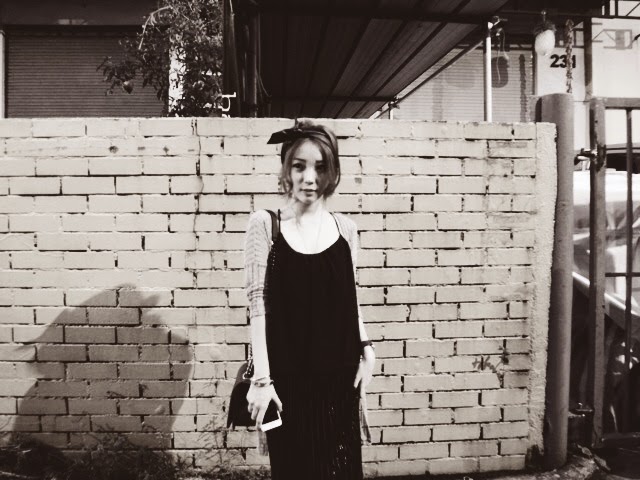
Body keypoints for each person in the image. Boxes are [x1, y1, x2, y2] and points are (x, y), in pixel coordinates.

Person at [243, 119, 376, 479]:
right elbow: (257, 306)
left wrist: (367, 348)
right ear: (286, 169)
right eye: (299, 166)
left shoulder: (346, 230)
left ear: (332, 172)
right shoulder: (266, 226)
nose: (309, 177)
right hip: (287, 387)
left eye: (320, 166)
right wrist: (262, 381)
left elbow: (350, 299)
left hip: (341, 382)